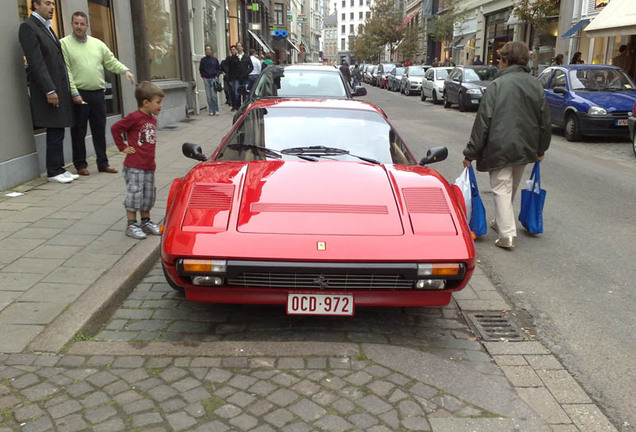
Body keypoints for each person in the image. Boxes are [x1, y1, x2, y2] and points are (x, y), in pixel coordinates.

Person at [462, 41, 551, 249]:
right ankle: (502, 222)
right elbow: (544, 120)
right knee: (510, 185)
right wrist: (541, 149)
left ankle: (506, 235)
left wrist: (470, 152)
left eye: (500, 60)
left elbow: (483, 121)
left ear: (506, 61)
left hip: (500, 145)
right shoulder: (535, 84)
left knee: (502, 187)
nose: (498, 64)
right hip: (526, 145)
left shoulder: (497, 85)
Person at [61, 11, 135, 176]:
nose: (79, 26)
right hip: (78, 94)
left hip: (97, 94)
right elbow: (66, 72)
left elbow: (111, 61)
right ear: (72, 24)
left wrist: (125, 70)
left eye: (82, 23)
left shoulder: (98, 44)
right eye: (76, 23)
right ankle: (80, 165)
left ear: (87, 25)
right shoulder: (64, 44)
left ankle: (103, 163)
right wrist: (74, 93)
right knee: (78, 131)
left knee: (99, 130)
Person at [18, 0, 77, 184]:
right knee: (54, 128)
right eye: (47, 3)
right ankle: (53, 171)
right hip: (49, 89)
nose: (52, 7)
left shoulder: (48, 28)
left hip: (59, 88)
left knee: (59, 128)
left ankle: (59, 168)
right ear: (35, 5)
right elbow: (37, 62)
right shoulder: (28, 27)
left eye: (53, 4)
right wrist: (49, 89)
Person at [110, 81, 165, 240]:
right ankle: (131, 224)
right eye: (158, 102)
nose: (160, 106)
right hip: (135, 166)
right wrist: (122, 147)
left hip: (148, 165)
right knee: (135, 194)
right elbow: (116, 128)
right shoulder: (134, 117)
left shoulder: (152, 119)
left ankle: (145, 222)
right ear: (146, 102)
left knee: (148, 195)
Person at [227, 42, 253, 111]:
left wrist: (246, 73)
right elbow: (231, 68)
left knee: (245, 93)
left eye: (239, 46)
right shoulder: (234, 57)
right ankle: (238, 107)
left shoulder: (246, 57)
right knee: (237, 93)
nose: (238, 47)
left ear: (242, 47)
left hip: (245, 78)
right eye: (237, 46)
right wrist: (230, 78)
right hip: (236, 78)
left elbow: (251, 67)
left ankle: (245, 107)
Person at [199, 44, 221, 116]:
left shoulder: (214, 59)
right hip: (206, 78)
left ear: (211, 51)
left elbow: (218, 69)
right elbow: (201, 69)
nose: (208, 51)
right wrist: (203, 76)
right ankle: (211, 110)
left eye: (209, 49)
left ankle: (216, 109)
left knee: (214, 96)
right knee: (208, 96)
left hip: (213, 78)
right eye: (206, 49)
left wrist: (216, 76)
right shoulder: (203, 60)